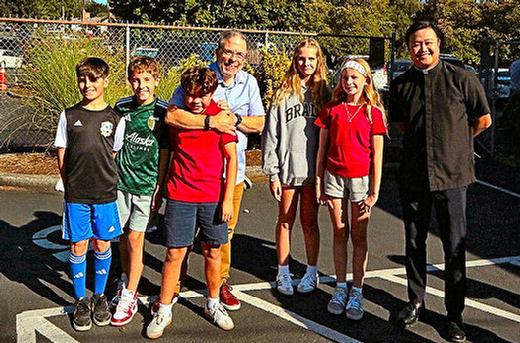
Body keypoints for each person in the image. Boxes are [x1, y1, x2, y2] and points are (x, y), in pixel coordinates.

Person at [388, 21, 492, 342]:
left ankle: (454, 314)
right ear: (409, 48)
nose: (423, 49)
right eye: (416, 44)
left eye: (428, 43)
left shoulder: (462, 78)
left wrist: (457, 145)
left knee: (454, 246)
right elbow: (401, 126)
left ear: (438, 43)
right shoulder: (402, 84)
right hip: (414, 177)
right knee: (415, 242)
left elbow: (483, 120)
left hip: (453, 176)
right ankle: (415, 300)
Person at [165, 30, 265, 311]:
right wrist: (212, 123)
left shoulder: (249, 84)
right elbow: (172, 115)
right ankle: (174, 285)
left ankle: (219, 285)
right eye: (228, 52)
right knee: (181, 238)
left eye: (239, 55)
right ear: (217, 52)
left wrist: (234, 119)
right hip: (191, 174)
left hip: (230, 173)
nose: (232, 59)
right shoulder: (201, 78)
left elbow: (259, 123)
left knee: (222, 237)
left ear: (245, 59)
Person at [146, 67, 238, 339]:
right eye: (191, 95)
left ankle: (213, 303)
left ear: (212, 93)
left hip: (212, 196)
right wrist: (160, 189)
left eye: (203, 95)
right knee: (175, 253)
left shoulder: (223, 118)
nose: (197, 101)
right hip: (180, 195)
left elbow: (232, 159)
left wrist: (228, 199)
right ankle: (164, 308)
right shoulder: (178, 117)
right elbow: (170, 128)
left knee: (213, 251)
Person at [54, 57, 125, 331]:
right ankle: (80, 299)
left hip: (105, 194)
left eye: (93, 79)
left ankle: (99, 296)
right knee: (78, 246)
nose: (87, 85)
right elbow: (63, 153)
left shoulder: (115, 119)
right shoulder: (69, 116)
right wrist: (69, 184)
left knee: (102, 245)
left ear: (105, 81)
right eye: (82, 79)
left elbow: (113, 153)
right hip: (77, 195)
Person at [315, 58, 386, 320]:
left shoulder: (373, 113)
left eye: (355, 78)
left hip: (360, 181)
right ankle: (341, 286)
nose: (349, 82)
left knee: (359, 236)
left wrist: (374, 192)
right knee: (339, 232)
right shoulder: (332, 110)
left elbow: (377, 156)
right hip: (334, 178)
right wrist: (320, 181)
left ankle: (357, 289)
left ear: (366, 80)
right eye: (345, 78)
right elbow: (321, 150)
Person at [262, 38, 329, 296]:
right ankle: (283, 272)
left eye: (311, 58)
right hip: (288, 170)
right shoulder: (283, 94)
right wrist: (273, 173)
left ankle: (311, 272)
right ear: (295, 59)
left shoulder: (325, 93)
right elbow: (271, 135)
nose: (306, 63)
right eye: (302, 58)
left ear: (318, 61)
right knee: (285, 221)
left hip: (313, 173)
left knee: (310, 223)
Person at [110, 56, 170, 326]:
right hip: (121, 183)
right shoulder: (122, 106)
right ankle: (126, 277)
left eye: (147, 79)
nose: (141, 85)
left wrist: (160, 186)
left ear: (156, 80)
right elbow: (113, 144)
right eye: (136, 79)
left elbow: (165, 153)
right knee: (122, 235)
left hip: (146, 187)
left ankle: (131, 294)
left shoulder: (163, 111)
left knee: (136, 238)